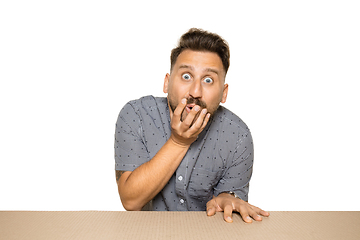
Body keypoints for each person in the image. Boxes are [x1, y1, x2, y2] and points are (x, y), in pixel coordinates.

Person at [114, 28, 269, 223]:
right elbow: (130, 200)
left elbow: (229, 200)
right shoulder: (135, 115)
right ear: (167, 83)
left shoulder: (238, 135)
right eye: (186, 76)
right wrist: (179, 142)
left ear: (224, 93)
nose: (195, 92)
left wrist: (227, 200)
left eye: (208, 80)